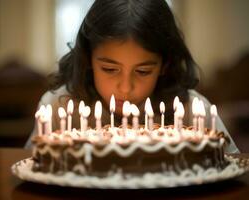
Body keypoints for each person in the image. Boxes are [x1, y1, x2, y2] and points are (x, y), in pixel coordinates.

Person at [25, 0, 239, 153]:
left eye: (143, 71)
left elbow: (232, 165)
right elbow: (33, 166)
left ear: (165, 64)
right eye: (109, 69)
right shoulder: (56, 107)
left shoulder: (193, 110)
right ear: (88, 58)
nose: (125, 88)